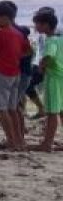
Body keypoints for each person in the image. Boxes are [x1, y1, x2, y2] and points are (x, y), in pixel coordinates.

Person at [0, 0, 31, 152]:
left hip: (1, 72)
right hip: (15, 73)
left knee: (0, 108)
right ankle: (18, 140)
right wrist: (14, 56)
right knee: (12, 109)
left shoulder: (0, 32)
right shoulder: (18, 33)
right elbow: (28, 51)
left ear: (4, 17)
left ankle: (11, 141)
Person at [32, 9, 60, 152]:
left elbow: (49, 56)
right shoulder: (60, 38)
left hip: (54, 78)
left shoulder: (50, 40)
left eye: (37, 24)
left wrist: (42, 66)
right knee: (60, 111)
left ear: (46, 25)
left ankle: (47, 143)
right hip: (60, 77)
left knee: (52, 112)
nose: (35, 27)